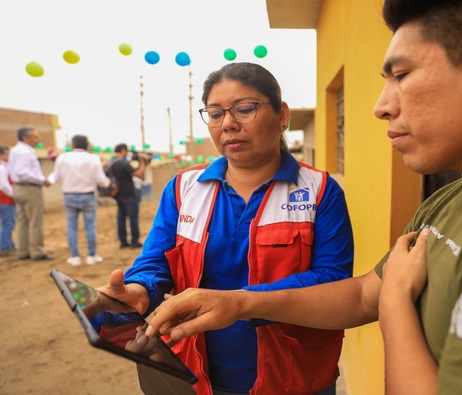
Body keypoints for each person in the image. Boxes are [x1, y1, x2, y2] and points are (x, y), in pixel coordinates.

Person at [141, 2, 462, 395]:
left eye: (401, 75)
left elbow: (374, 294)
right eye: (215, 113)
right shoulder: (453, 199)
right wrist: (235, 303)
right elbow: (364, 294)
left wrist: (395, 304)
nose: (381, 106)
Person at [98, 62, 355, 395]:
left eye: (245, 109)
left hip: (297, 375)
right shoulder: (183, 188)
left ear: (282, 115)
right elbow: (156, 262)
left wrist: (240, 301)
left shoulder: (321, 190)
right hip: (197, 372)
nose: (229, 124)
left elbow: (332, 281)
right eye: (216, 114)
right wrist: (141, 290)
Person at [47, 135, 111, 266]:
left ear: (73, 144)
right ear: (87, 145)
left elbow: (56, 176)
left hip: (69, 195)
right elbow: (102, 181)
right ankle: (91, 256)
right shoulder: (93, 159)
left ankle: (75, 256)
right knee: (90, 226)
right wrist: (107, 182)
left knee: (71, 226)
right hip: (88, 196)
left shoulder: (63, 157)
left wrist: (48, 181)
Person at [8, 127, 55, 260]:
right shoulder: (25, 151)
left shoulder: (16, 150)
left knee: (23, 221)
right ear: (26, 138)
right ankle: (37, 251)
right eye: (36, 137)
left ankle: (23, 251)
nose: (39, 139)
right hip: (30, 189)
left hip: (18, 188)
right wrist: (42, 180)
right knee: (35, 221)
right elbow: (22, 172)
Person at [110, 143, 147, 249]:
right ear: (123, 150)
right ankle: (135, 241)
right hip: (129, 194)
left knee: (121, 218)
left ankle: (123, 241)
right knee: (133, 218)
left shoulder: (112, 162)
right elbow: (138, 174)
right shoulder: (122, 163)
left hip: (118, 195)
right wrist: (143, 162)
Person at [0, 146, 16, 256]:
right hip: (5, 200)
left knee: (7, 224)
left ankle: (9, 245)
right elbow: (4, 186)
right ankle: (5, 247)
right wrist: (15, 195)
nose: (8, 156)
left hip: (4, 200)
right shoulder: (2, 167)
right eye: (7, 154)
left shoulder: (4, 166)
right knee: (8, 224)